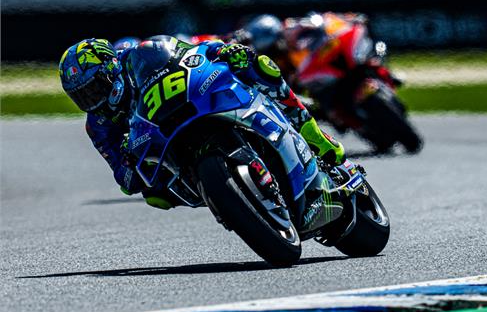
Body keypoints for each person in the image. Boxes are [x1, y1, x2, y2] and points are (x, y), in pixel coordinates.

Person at [58, 37, 345, 209]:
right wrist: (129, 162)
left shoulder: (140, 55)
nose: (92, 101)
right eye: (82, 97)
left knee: (259, 65)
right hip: (165, 148)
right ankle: (226, 200)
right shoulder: (97, 125)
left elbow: (189, 52)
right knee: (154, 196)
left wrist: (222, 52)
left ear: (111, 70)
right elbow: (123, 177)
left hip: (191, 102)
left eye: (94, 89)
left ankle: (312, 133)